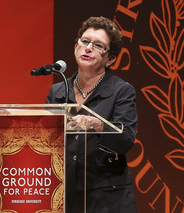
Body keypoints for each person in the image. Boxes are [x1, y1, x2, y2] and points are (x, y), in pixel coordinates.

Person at [46, 16, 138, 213]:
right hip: (66, 193)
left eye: (98, 46)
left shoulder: (121, 91)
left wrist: (98, 124)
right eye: (85, 41)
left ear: (110, 59)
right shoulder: (57, 92)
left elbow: (126, 141)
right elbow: (47, 140)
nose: (88, 48)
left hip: (108, 197)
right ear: (75, 47)